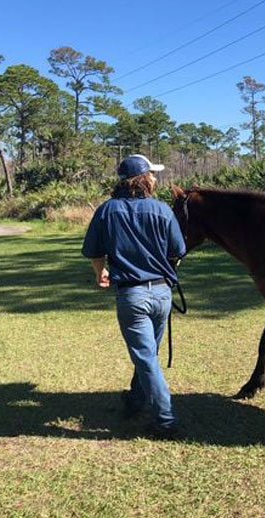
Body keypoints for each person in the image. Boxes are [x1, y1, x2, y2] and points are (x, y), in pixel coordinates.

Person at [82, 154, 186, 439]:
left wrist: (100, 272)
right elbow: (177, 250)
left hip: (132, 295)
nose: (155, 178)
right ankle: (137, 399)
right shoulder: (163, 210)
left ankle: (165, 420)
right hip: (162, 293)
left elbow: (93, 251)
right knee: (148, 354)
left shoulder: (107, 210)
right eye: (152, 173)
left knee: (146, 358)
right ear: (144, 178)